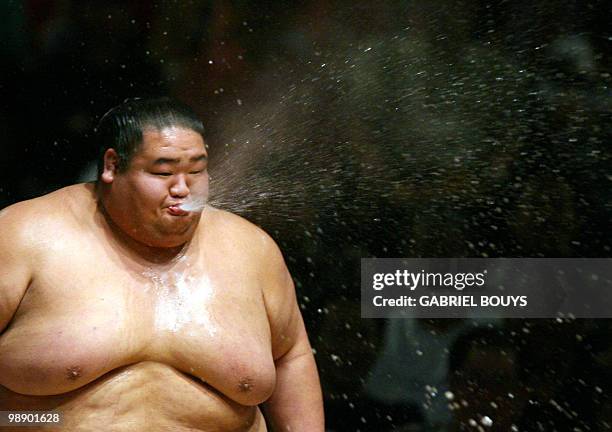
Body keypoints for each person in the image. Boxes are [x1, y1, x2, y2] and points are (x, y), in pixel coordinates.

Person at [0, 97, 324, 431]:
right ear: (112, 166)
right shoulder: (24, 237)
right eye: (163, 172)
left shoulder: (252, 249)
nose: (183, 188)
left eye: (196, 170)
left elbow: (291, 357)